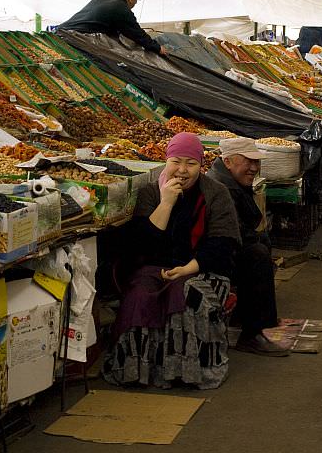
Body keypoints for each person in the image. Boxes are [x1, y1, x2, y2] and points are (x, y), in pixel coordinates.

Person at [103, 133, 239, 389]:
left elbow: (223, 246)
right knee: (140, 295)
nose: (182, 170)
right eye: (176, 161)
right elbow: (143, 247)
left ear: (202, 166)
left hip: (203, 269)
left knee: (186, 294)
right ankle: (137, 372)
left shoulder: (216, 194)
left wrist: (188, 268)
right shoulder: (150, 193)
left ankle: (186, 371)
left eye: (191, 163)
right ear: (166, 161)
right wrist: (166, 204)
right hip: (155, 267)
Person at [208, 138, 290, 357]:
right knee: (257, 254)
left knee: (261, 244)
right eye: (248, 161)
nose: (254, 167)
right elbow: (233, 234)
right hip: (214, 254)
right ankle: (252, 333)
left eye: (256, 162)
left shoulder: (231, 182)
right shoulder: (223, 187)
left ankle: (246, 316)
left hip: (223, 247)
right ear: (227, 162)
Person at [58, 0, 166, 55]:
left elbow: (103, 20)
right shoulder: (122, 9)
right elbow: (137, 33)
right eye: (135, 2)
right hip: (75, 37)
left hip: (61, 30)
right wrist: (157, 48)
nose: (134, 5)